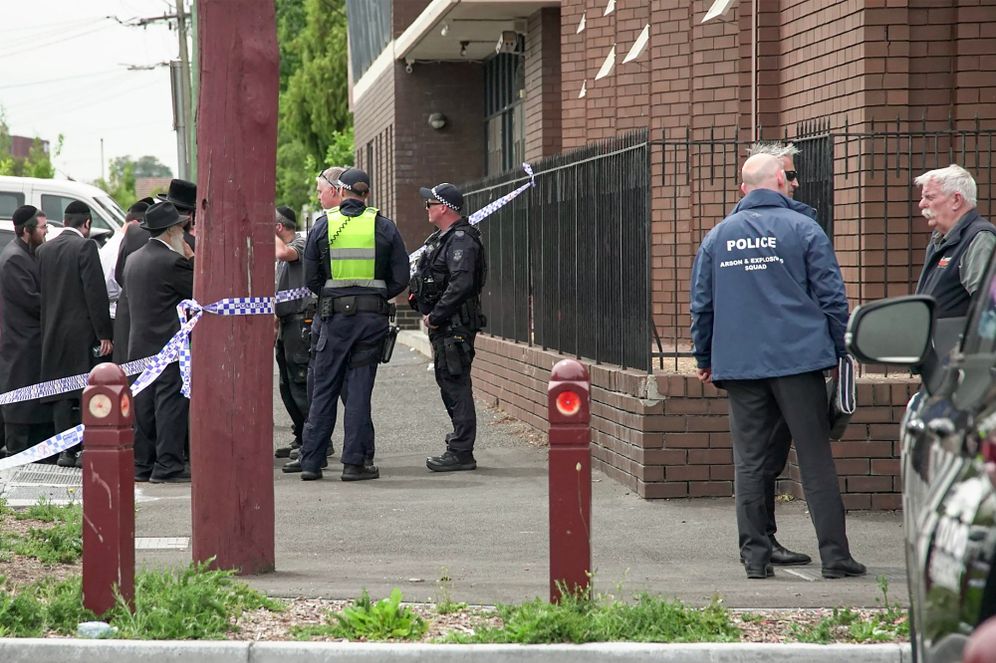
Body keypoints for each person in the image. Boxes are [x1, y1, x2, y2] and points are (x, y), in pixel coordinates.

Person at [690, 153, 863, 580]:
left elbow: (703, 306)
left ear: (744, 189)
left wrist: (705, 358)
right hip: (799, 360)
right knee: (815, 456)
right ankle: (836, 557)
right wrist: (842, 348)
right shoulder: (804, 228)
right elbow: (831, 297)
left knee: (749, 461)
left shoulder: (717, 237)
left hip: (741, 365)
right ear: (781, 183)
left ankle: (755, 556)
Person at [293, 167, 408, 481]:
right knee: (358, 391)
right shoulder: (384, 227)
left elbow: (310, 279)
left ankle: (311, 462)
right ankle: (354, 464)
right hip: (371, 320)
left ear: (341, 192)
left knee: (324, 389)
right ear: (366, 194)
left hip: (332, 319)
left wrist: (332, 295)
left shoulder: (322, 226)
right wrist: (374, 294)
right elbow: (401, 278)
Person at [728, 141, 810, 567]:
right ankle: (760, 543)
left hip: (764, 359)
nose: (796, 182)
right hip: (779, 360)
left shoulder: (800, 223)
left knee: (765, 457)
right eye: (790, 174)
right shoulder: (784, 228)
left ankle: (760, 545)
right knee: (761, 458)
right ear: (773, 177)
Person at [410, 182, 487, 472]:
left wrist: (437, 315)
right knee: (449, 382)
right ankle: (458, 445)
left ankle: (461, 451)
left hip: (454, 325)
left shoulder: (462, 241)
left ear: (443, 207)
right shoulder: (441, 239)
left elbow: (461, 284)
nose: (426, 208)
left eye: (429, 204)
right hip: (444, 325)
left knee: (456, 383)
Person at [122, 202, 195, 483]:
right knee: (169, 404)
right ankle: (167, 465)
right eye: (181, 228)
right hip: (167, 346)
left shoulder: (134, 259)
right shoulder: (172, 261)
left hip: (138, 345)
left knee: (144, 405)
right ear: (171, 231)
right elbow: (198, 290)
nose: (184, 234)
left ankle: (142, 464)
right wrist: (191, 257)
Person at [37, 201, 113, 468]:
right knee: (84, 391)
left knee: (59, 393)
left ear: (66, 221)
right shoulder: (85, 247)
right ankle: (85, 449)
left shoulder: (44, 250)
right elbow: (95, 293)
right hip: (81, 333)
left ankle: (64, 452)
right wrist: (104, 333)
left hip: (52, 331)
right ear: (87, 224)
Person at [0, 206, 53, 457]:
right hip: (21, 345)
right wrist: (58, 307)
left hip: (32, 342)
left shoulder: (28, 253)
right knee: (20, 405)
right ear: (27, 230)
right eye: (42, 228)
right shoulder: (14, 259)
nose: (45, 233)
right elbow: (31, 300)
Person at [914, 164, 996, 318]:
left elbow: (989, 306)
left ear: (956, 200)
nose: (921, 204)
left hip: (958, 342)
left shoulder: (979, 238)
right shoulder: (940, 239)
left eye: (929, 197)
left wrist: (964, 342)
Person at [273, 205, 316, 459]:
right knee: (287, 385)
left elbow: (283, 253)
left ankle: (314, 438)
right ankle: (301, 435)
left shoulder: (301, 244)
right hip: (286, 323)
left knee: (300, 383)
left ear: (278, 227)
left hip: (301, 322)